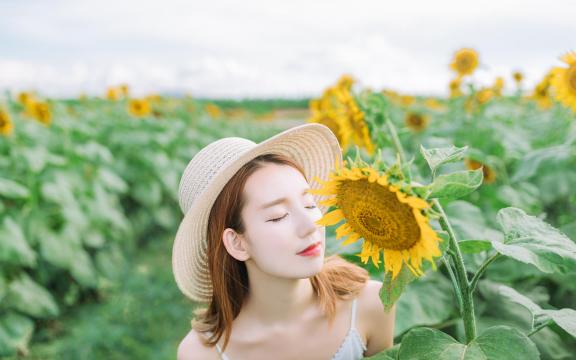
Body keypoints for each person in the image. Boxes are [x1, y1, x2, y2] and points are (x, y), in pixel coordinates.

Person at [173, 123, 395, 359]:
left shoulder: (369, 305)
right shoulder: (202, 353)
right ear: (237, 243)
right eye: (278, 216)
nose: (312, 225)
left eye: (310, 205)